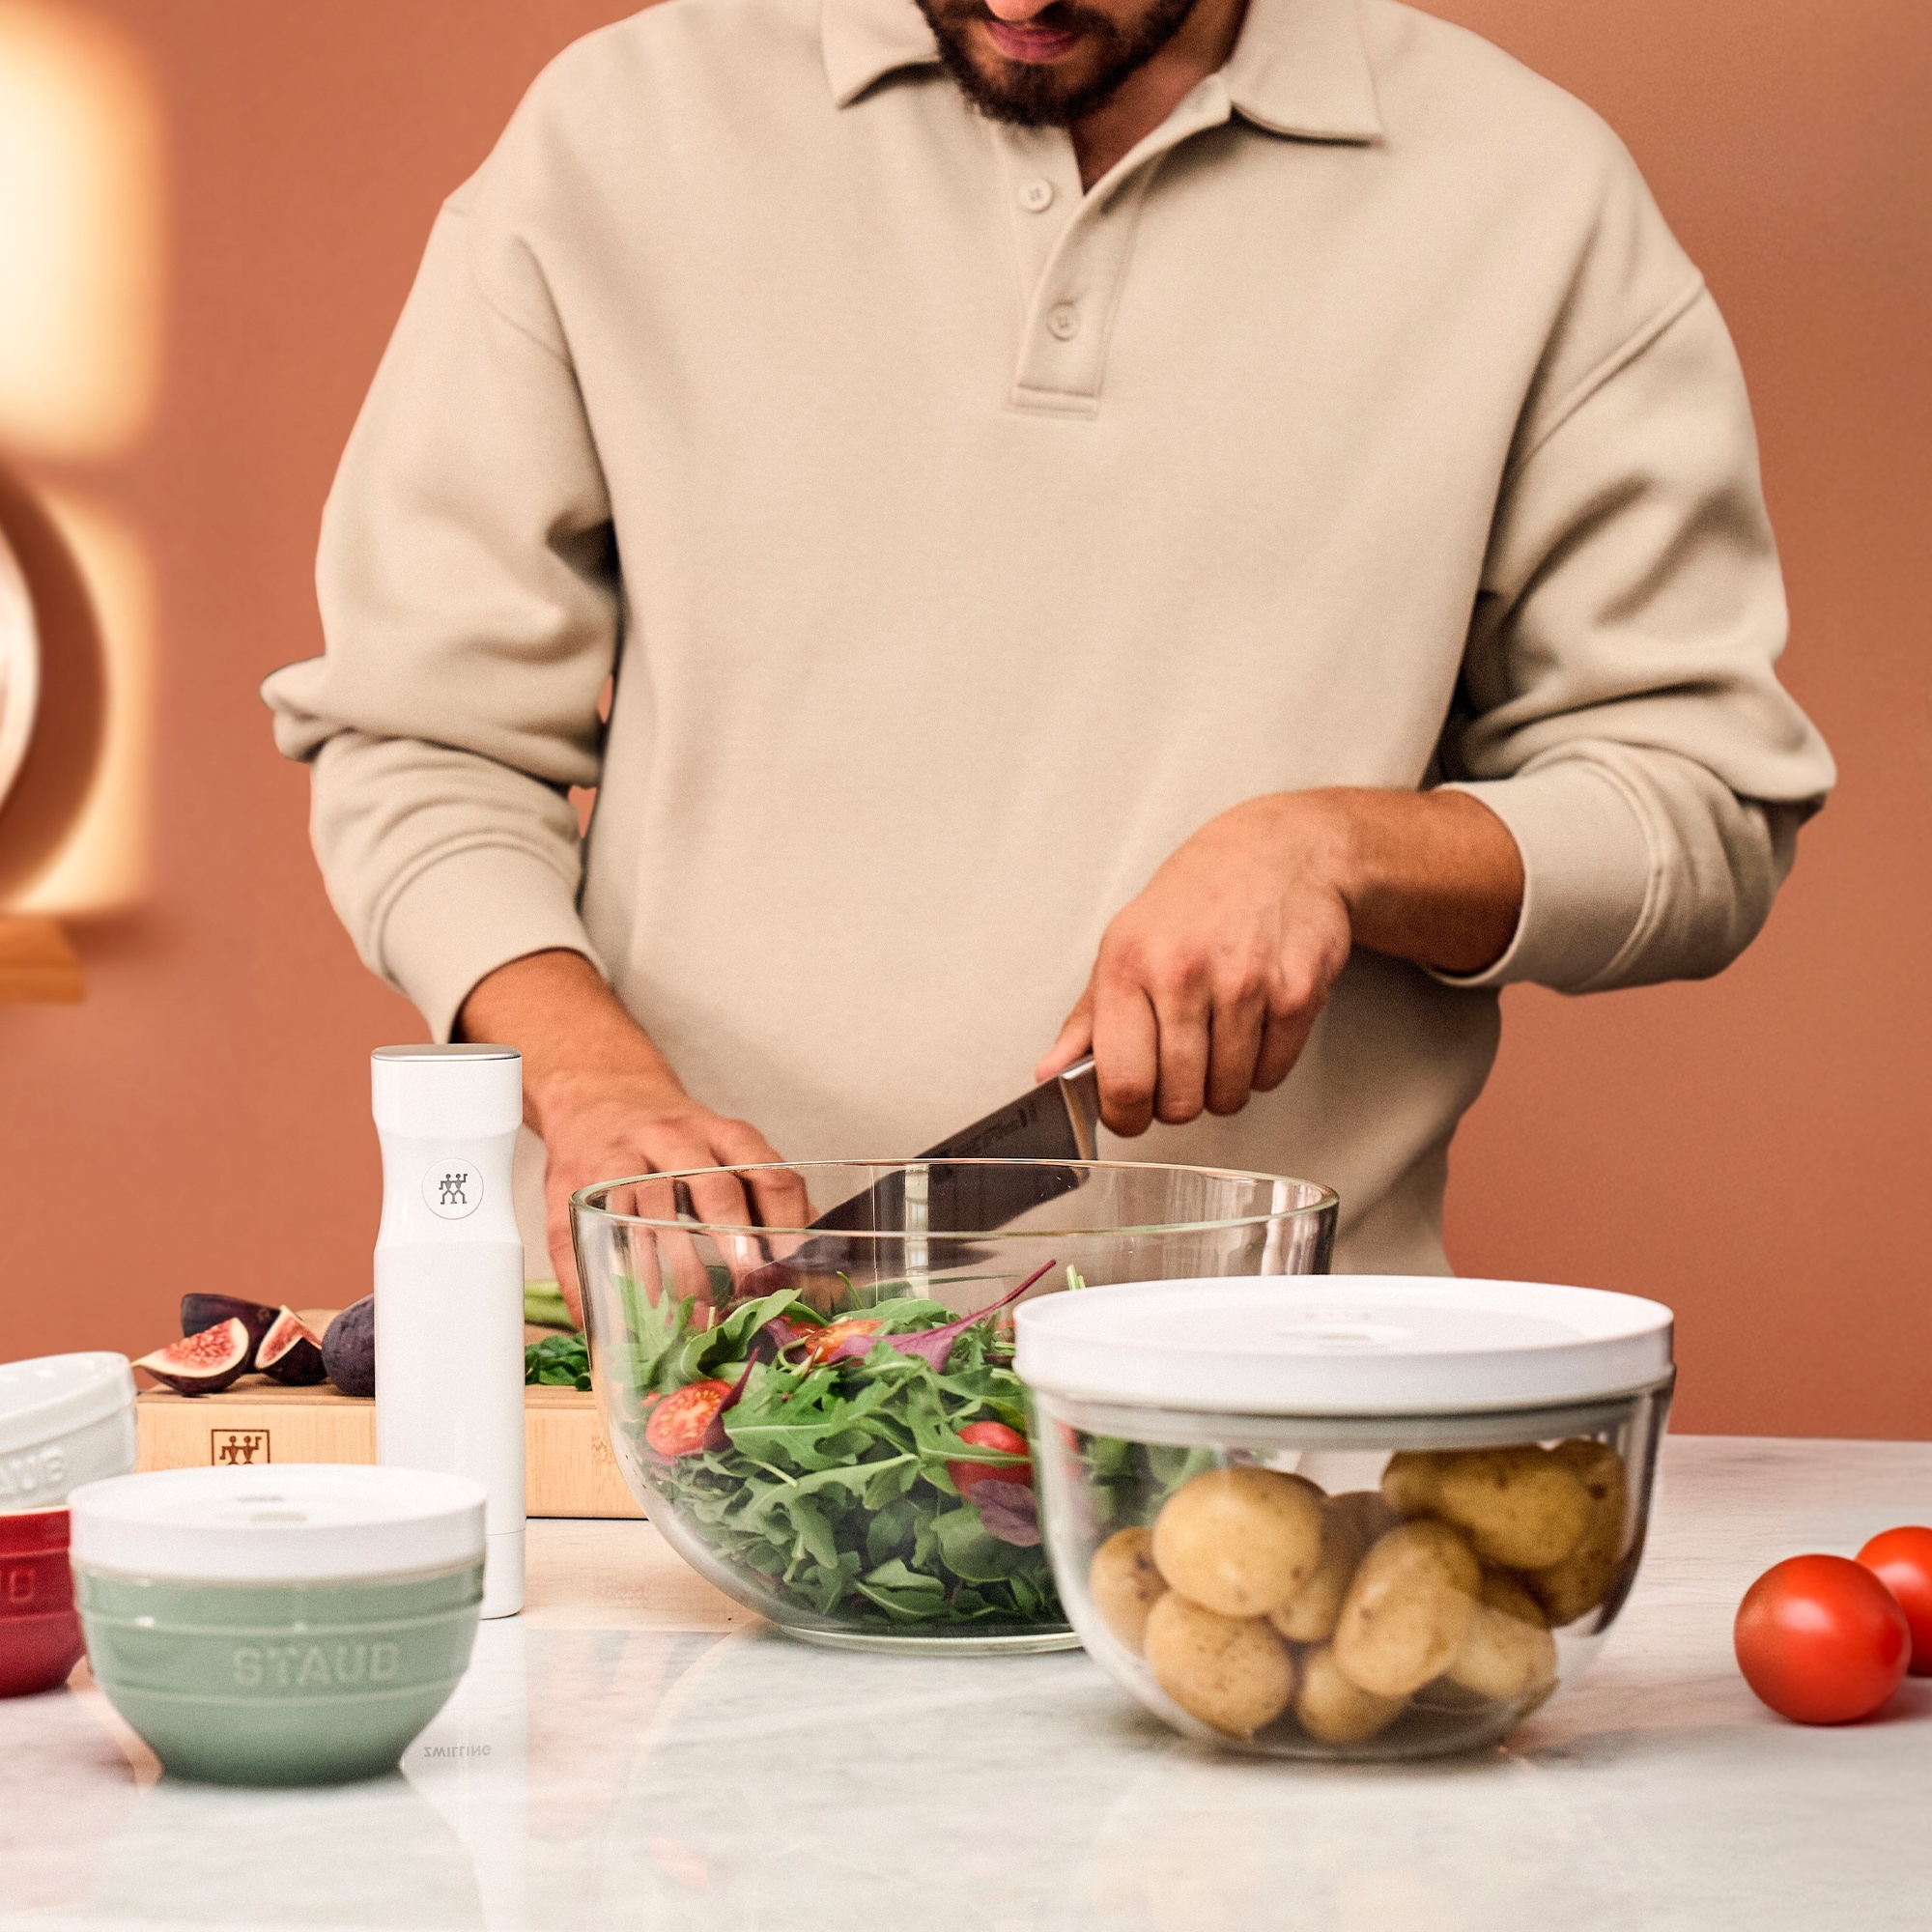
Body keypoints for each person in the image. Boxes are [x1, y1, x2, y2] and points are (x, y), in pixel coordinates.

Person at [264, 0, 1833, 1316]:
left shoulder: (1528, 193)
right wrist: (587, 1078)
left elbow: (1697, 804)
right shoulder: (617, 133)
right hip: (675, 1396)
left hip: (1260, 1431)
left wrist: (1336, 850)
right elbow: (424, 735)